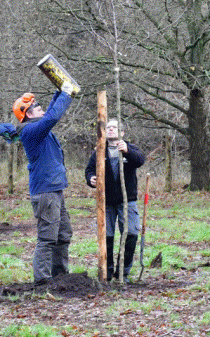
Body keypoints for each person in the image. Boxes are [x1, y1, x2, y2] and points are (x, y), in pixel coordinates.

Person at [12, 81, 75, 287]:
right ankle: (42, 281)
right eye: (37, 108)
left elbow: (49, 114)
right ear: (29, 114)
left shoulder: (38, 128)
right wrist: (66, 94)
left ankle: (60, 275)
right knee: (48, 237)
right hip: (45, 192)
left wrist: (59, 92)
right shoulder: (31, 131)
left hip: (54, 189)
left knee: (64, 234)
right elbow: (53, 116)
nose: (42, 109)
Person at [84, 119, 145, 281]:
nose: (110, 130)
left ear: (122, 133)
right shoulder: (99, 151)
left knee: (131, 233)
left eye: (114, 127)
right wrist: (91, 179)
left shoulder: (129, 147)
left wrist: (127, 151)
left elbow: (140, 160)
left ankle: (123, 271)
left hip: (127, 201)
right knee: (107, 236)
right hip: (106, 202)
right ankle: (108, 270)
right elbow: (89, 170)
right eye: (108, 127)